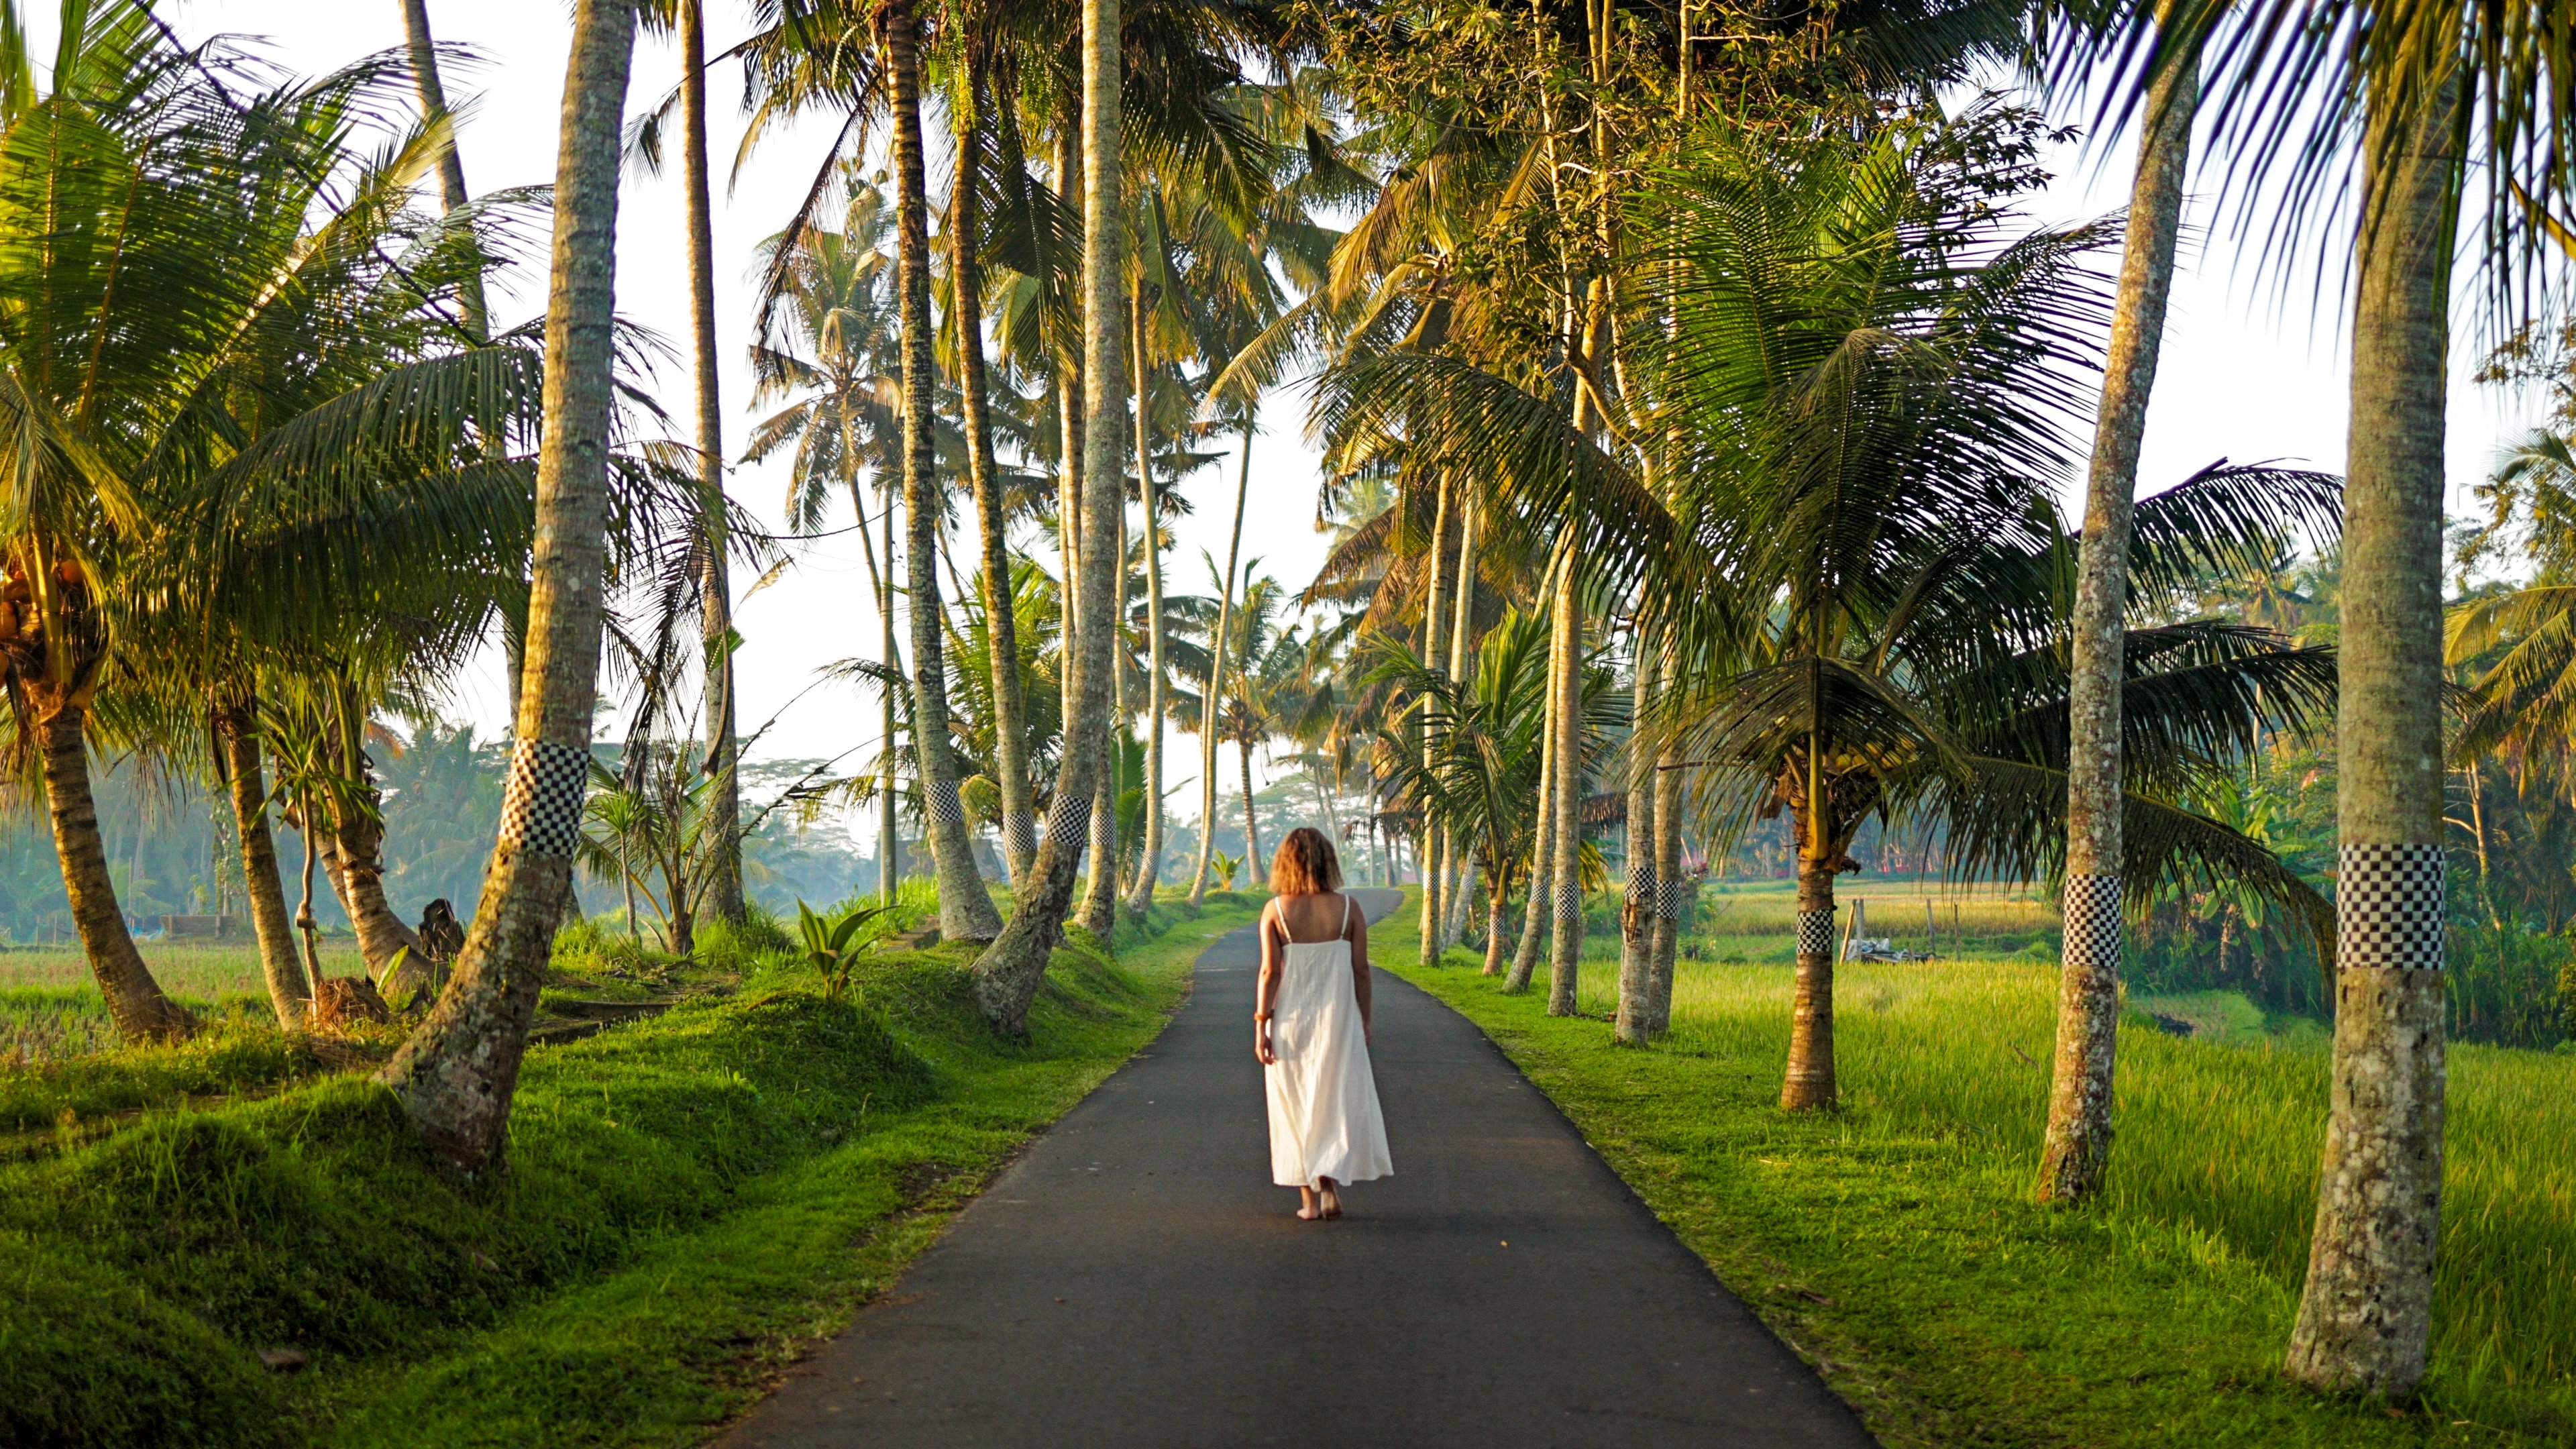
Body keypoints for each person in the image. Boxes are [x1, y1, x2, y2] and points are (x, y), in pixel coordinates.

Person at [1254, 826, 1393, 1220]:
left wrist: (1261, 1024)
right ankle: (1330, 1189)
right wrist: (1364, 1020)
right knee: (1331, 1103)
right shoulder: (1349, 909)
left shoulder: (1276, 910)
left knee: (1294, 1102)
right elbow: (1361, 971)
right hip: (1338, 1022)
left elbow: (1269, 972)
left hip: (1291, 1022)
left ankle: (1309, 1202)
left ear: (1285, 863)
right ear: (1327, 861)